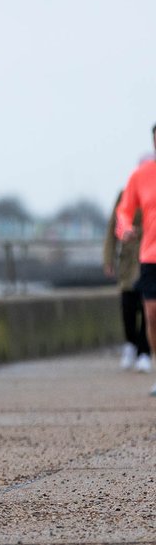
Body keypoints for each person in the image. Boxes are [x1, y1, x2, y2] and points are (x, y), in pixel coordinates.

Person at [116, 125, 156, 395]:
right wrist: (125, 228)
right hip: (150, 255)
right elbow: (124, 210)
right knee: (152, 315)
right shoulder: (141, 176)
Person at [103, 187, 149, 372]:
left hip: (149, 258)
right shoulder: (125, 194)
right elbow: (113, 227)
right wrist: (108, 259)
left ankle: (144, 352)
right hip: (128, 262)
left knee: (149, 308)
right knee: (128, 305)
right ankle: (131, 343)